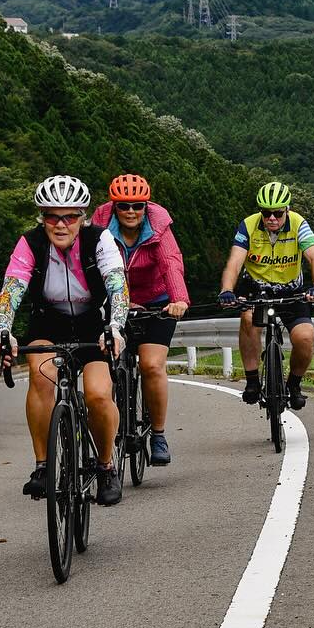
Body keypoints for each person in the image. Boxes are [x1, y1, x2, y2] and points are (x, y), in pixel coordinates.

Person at [0, 175, 129, 506]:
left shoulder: (100, 240)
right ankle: (42, 466)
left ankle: (106, 465)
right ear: (43, 218)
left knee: (98, 394)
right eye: (52, 216)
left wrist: (115, 326)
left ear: (82, 218)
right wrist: (3, 332)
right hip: (48, 322)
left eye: (70, 216)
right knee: (41, 381)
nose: (61, 224)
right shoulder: (31, 243)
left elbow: (117, 287)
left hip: (91, 324)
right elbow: (10, 292)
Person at [91, 174, 190, 467]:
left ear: (146, 206)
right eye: (124, 206)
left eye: (137, 205)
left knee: (151, 364)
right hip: (113, 303)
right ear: (114, 206)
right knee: (105, 369)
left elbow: (171, 262)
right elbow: (90, 266)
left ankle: (158, 434)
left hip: (156, 303)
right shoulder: (99, 226)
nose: (131, 212)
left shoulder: (158, 226)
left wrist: (178, 299)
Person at [217, 182, 314, 408]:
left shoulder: (298, 223)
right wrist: (227, 290)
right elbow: (234, 263)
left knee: (305, 336)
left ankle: (294, 385)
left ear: (287, 209)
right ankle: (252, 382)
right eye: (266, 213)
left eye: (277, 213)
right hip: (257, 290)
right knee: (248, 320)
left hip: (292, 291)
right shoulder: (248, 226)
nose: (272, 218)